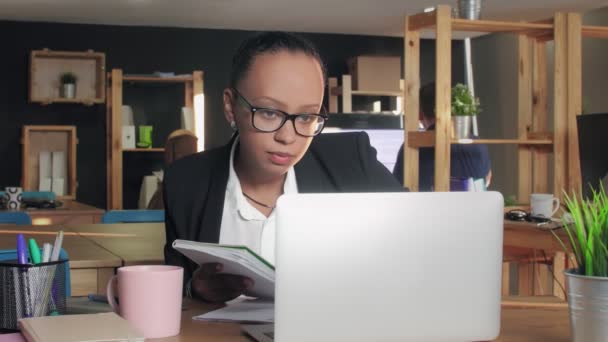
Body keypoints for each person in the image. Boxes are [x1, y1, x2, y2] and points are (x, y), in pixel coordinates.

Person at [163, 32, 403, 303]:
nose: (288, 137)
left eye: (306, 116)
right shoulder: (185, 182)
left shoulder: (353, 163)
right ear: (230, 107)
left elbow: (419, 238)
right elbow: (177, 284)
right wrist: (195, 289)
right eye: (269, 113)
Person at [392, 83, 492, 190]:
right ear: (453, 109)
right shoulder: (478, 144)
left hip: (429, 206)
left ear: (419, 115)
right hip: (477, 206)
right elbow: (486, 180)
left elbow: (396, 188)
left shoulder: (414, 144)